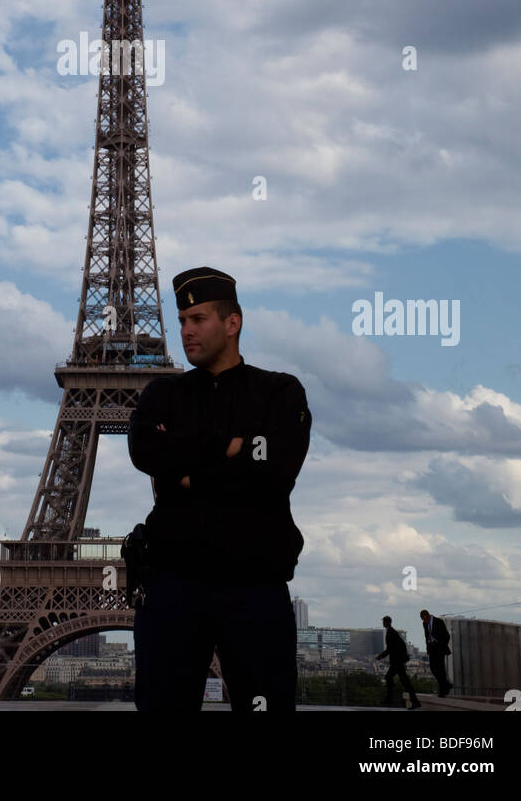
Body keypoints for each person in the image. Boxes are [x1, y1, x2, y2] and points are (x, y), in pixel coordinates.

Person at [128, 266, 311, 712]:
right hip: (173, 582)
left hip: (253, 583)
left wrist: (185, 470)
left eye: (198, 319)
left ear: (233, 323)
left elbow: (273, 474)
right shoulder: (161, 393)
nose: (186, 331)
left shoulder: (280, 391)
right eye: (182, 321)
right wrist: (230, 448)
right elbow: (145, 451)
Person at [376, 615, 421, 709]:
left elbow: (389, 649)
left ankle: (389, 698)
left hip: (397, 662)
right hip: (398, 661)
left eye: (384, 622)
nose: (383, 623)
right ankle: (414, 701)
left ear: (388, 622)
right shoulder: (392, 632)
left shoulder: (391, 633)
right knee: (405, 682)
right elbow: (397, 647)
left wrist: (380, 656)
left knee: (391, 678)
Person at [420, 609, 452, 696]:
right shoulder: (424, 623)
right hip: (432, 648)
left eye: (425, 619)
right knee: (433, 668)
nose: (425, 621)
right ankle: (446, 684)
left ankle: (443, 690)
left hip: (439, 648)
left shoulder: (439, 622)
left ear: (428, 616)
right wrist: (428, 648)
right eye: (423, 620)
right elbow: (427, 636)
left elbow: (447, 636)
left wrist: (441, 645)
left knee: (440, 669)